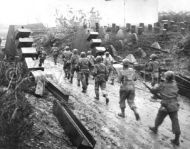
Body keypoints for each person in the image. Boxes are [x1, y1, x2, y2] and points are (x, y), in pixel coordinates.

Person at [149, 71, 181, 146]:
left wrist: (153, 89)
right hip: (174, 105)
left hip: (165, 105)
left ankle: (155, 128)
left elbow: (154, 90)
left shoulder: (163, 84)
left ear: (166, 77)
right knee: (175, 121)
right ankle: (177, 139)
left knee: (159, 117)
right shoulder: (175, 83)